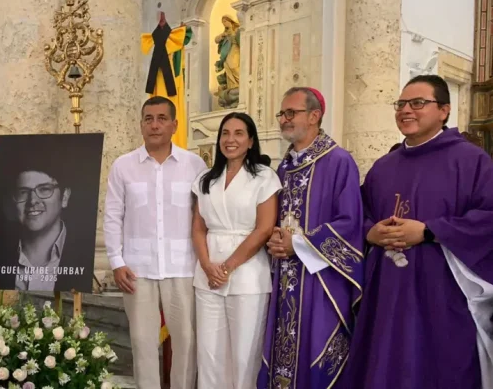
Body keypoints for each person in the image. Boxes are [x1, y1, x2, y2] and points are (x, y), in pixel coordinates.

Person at [343, 75, 493, 388]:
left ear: (444, 110)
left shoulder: (471, 161)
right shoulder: (383, 167)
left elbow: (488, 217)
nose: (406, 110)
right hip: (387, 290)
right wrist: (371, 233)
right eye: (400, 104)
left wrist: (428, 231)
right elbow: (358, 213)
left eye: (418, 103)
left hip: (442, 292)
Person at [259, 87, 364, 388]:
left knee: (315, 352)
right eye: (282, 114)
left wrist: (299, 244)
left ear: (315, 115)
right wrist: (276, 240)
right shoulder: (284, 167)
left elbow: (350, 223)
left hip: (321, 281)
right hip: (284, 276)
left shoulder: (338, 161)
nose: (284, 120)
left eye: (291, 113)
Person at [104, 96, 207, 389]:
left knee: (186, 342)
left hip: (183, 267)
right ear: (140, 125)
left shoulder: (194, 164)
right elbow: (113, 216)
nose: (155, 124)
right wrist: (116, 261)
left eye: (162, 118)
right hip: (137, 270)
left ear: (174, 124)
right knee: (142, 343)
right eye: (149, 119)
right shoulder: (123, 166)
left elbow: (202, 218)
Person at [191, 112, 281, 388]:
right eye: (225, 133)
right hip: (208, 276)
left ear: (251, 140)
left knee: (244, 355)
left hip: (247, 274)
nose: (231, 140)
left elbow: (264, 228)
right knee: (209, 354)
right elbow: (198, 228)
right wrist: (208, 266)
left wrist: (228, 267)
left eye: (239, 133)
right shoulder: (206, 178)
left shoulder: (264, 177)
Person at [0, 141, 98, 292]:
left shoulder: (84, 256)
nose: (32, 201)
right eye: (23, 192)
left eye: (44, 189)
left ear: (65, 197)